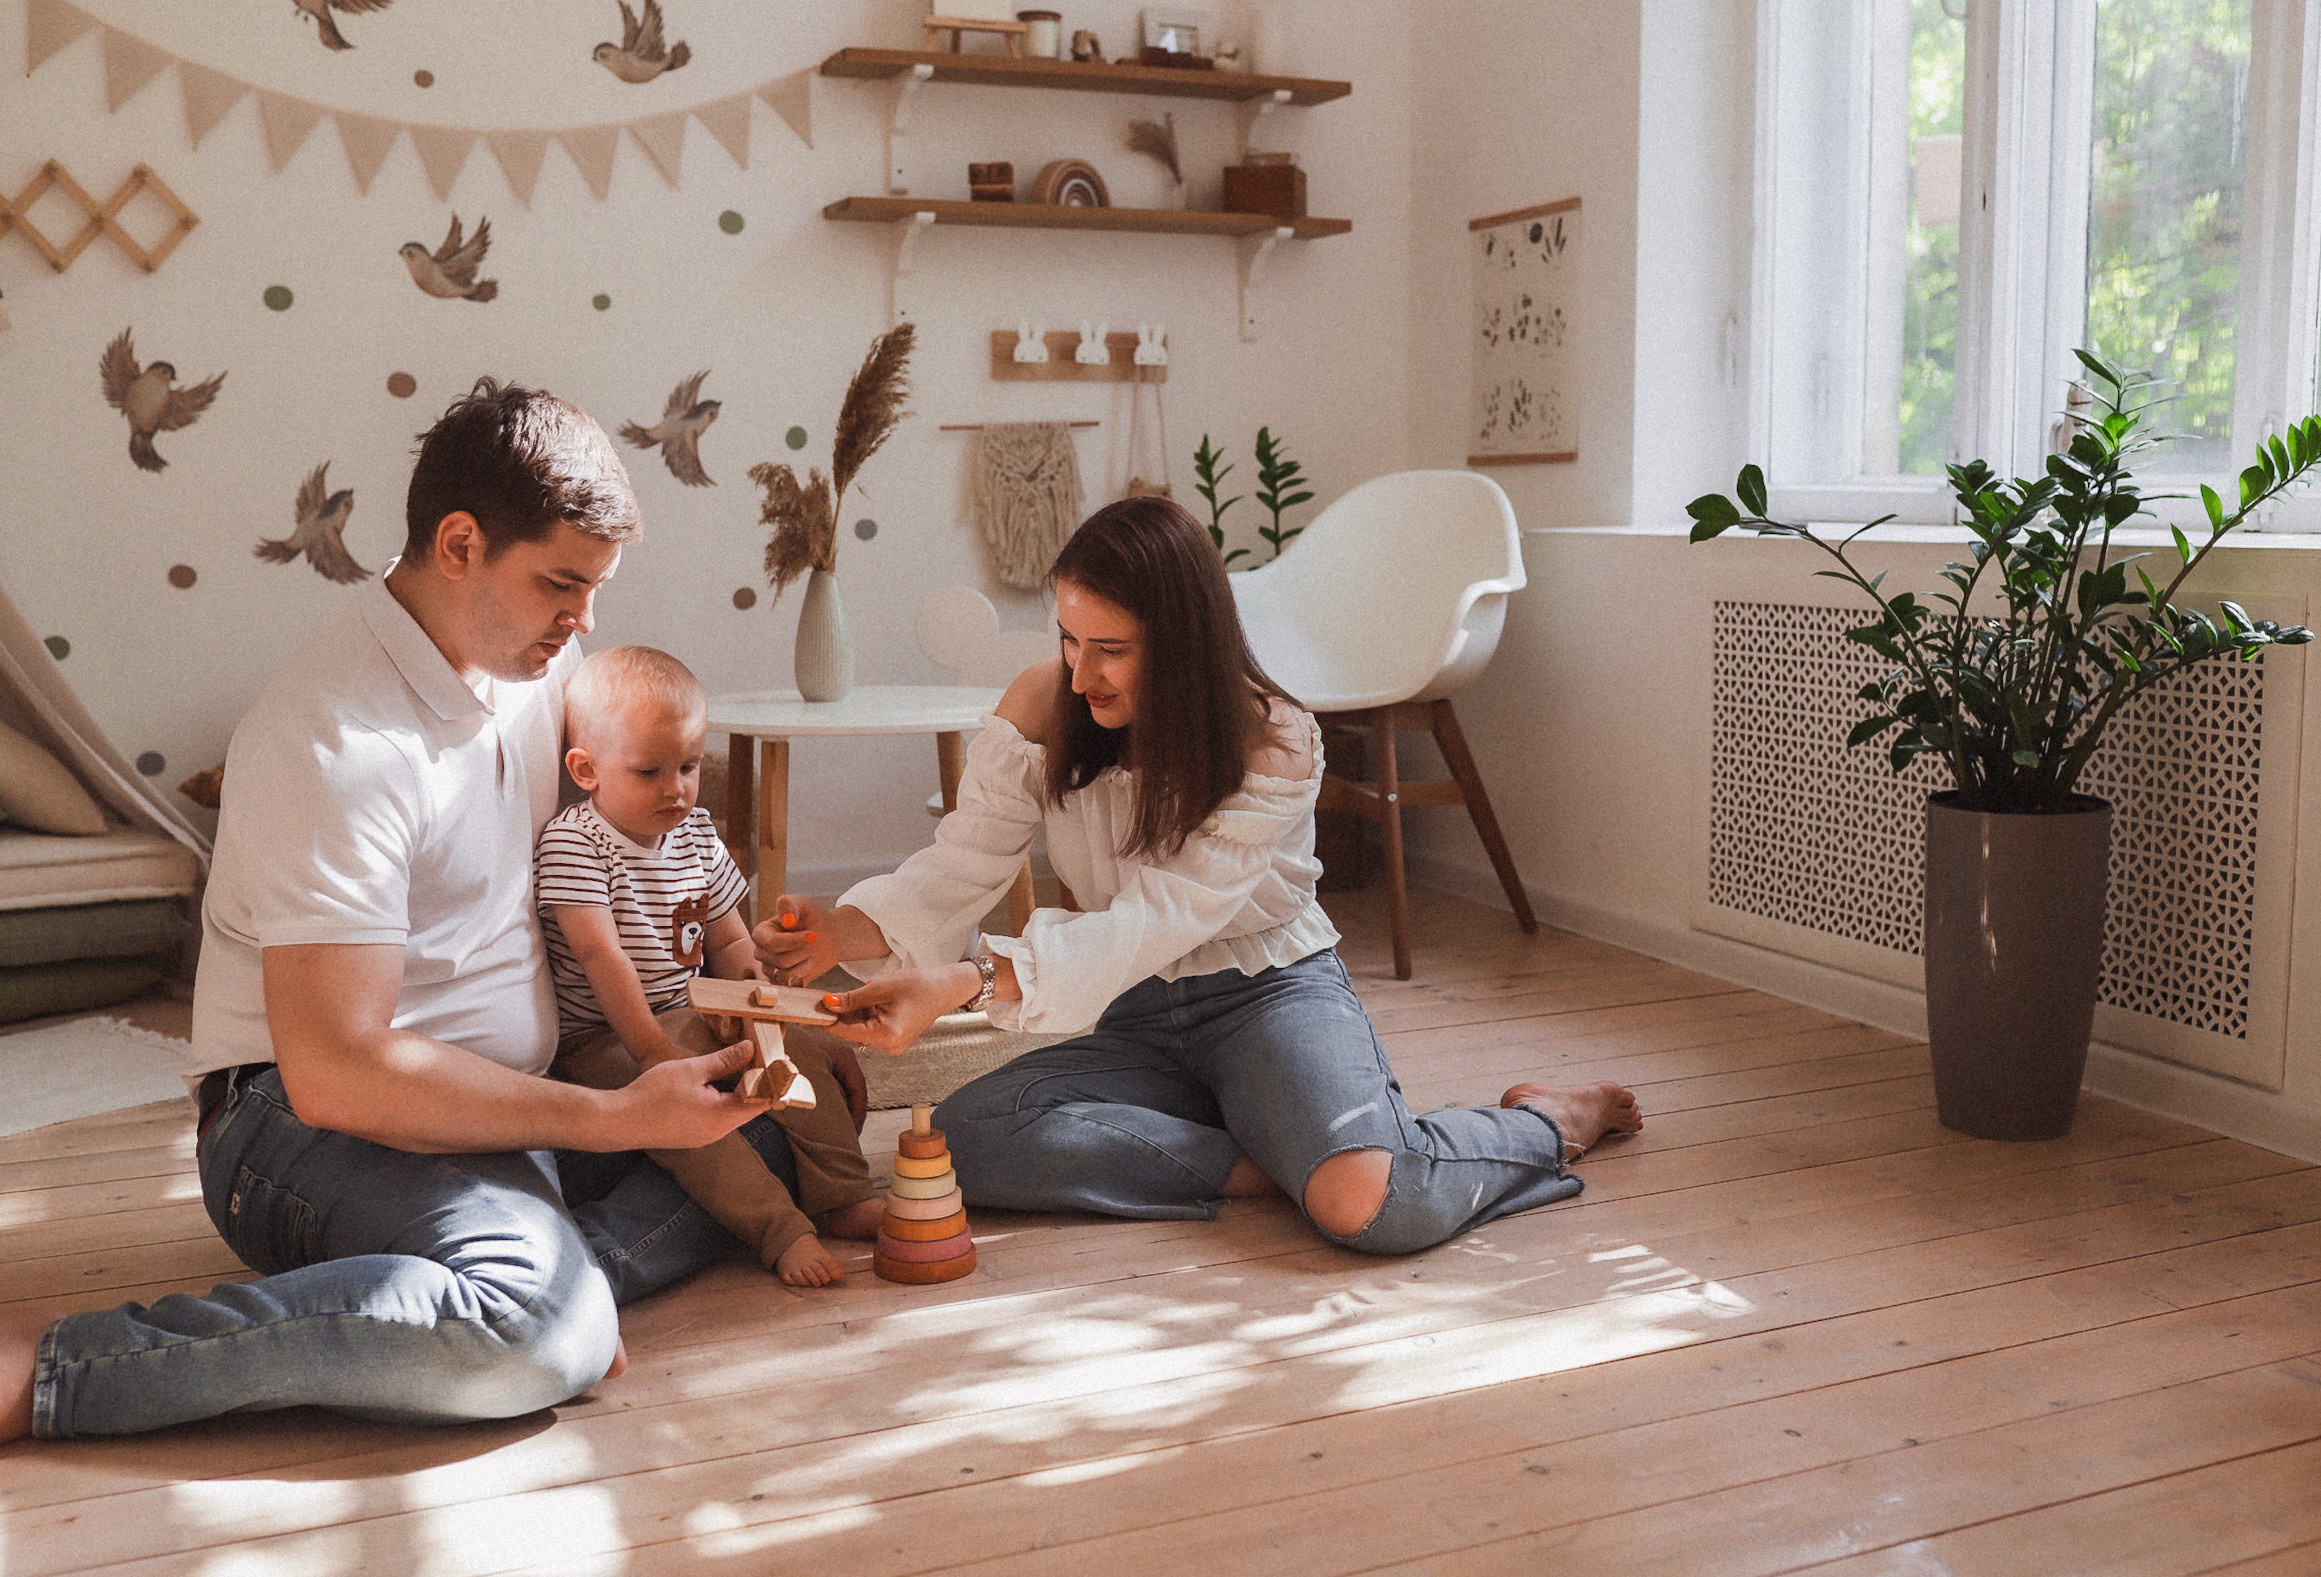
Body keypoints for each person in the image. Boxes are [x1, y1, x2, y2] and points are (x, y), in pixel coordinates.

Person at [1, 380, 796, 1442]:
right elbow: (337, 1069)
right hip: (296, 1123)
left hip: (507, 1098)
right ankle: (61, 1367)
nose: (585, 621)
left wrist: (766, 998)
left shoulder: (534, 672)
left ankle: (520, 1284)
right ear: (459, 542)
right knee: (534, 1323)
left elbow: (630, 864)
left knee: (768, 1137)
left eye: (597, 588)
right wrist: (613, 1117)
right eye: (563, 582)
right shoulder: (333, 740)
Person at [756, 496, 1643, 1256]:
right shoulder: (1042, 704)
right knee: (970, 1134)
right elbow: (961, 865)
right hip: (1133, 1008)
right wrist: (838, 931)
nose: (1080, 671)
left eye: (1113, 647)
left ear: (1182, 642)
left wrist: (966, 979)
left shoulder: (1272, 740)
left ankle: (1544, 1120)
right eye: (1068, 638)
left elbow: (1157, 916)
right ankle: (1272, 1152)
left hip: (1268, 992)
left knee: (1361, 1206)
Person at [537, 644, 883, 1288]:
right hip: (608, 1039)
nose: (676, 788)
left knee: (796, 1055)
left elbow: (727, 940)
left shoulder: (696, 832)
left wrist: (754, 995)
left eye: (689, 766)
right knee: (687, 1122)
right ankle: (781, 1231)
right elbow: (599, 955)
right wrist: (650, 1052)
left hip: (693, 1010)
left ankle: (843, 1192)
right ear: (586, 769)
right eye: (648, 772)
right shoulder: (575, 841)